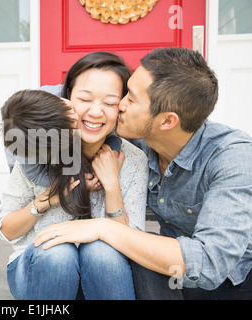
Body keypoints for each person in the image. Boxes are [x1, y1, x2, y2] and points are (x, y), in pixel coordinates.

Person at [33, 47, 252, 300]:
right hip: (172, 273)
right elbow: (26, 110)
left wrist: (105, 228)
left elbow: (210, 263)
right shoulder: (139, 136)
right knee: (110, 260)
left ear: (167, 121)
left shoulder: (233, 158)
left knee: (119, 243)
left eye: (130, 99)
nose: (119, 105)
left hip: (233, 283)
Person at [0, 52, 149, 300]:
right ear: (66, 98)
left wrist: (112, 186)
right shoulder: (41, 149)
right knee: (58, 251)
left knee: (102, 250)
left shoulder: (132, 159)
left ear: (121, 106)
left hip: (103, 275)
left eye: (110, 103)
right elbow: (7, 231)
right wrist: (47, 198)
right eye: (84, 99)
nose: (96, 112)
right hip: (41, 270)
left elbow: (132, 243)